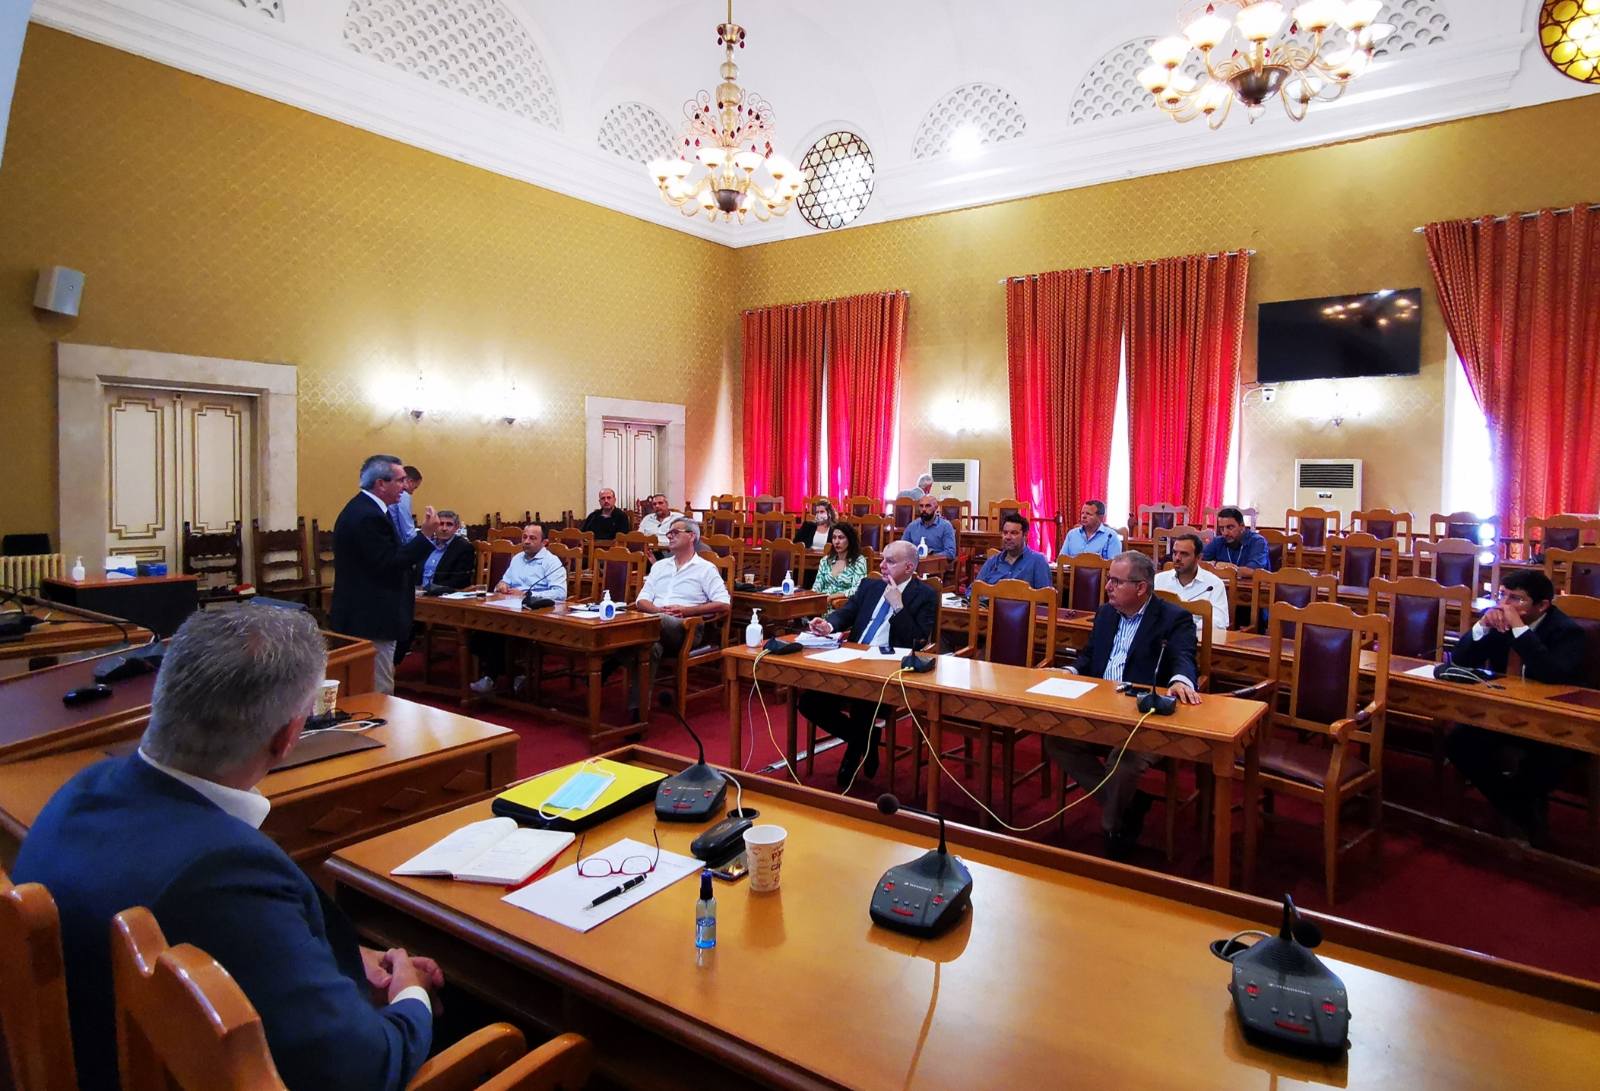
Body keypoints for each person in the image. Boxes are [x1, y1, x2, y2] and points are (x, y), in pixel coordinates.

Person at [13, 608, 443, 1091]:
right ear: (288, 736)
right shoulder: (225, 872)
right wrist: (412, 996)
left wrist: (330, 956)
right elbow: (362, 1070)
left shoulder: (82, 788)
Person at [1043, 551, 1199, 859]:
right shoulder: (1106, 614)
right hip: (1098, 708)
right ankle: (1133, 803)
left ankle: (1113, 827)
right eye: (1108, 580)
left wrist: (1181, 680)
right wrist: (1069, 670)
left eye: (1116, 581)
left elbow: (1184, 657)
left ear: (1141, 588)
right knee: (1056, 739)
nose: (1108, 587)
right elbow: (1090, 657)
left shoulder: (1173, 618)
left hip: (1143, 716)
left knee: (1124, 759)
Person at [1445, 570, 1589, 842]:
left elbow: (1552, 674)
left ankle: (1519, 813)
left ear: (1542, 605)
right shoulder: (1499, 622)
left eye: (1516, 599)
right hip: (1504, 711)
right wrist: (1482, 626)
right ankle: (1519, 810)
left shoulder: (1567, 632)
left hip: (1554, 719)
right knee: (1458, 741)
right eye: (1502, 595)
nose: (1505, 604)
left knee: (1546, 762)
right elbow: (1461, 660)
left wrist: (1520, 630)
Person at [802, 541, 938, 788]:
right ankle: (865, 739)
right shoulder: (870, 585)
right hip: (852, 659)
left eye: (890, 561)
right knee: (809, 701)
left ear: (909, 567)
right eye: (882, 559)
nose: (882, 565)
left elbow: (917, 640)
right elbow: (848, 612)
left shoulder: (924, 595)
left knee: (863, 700)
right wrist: (829, 625)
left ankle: (852, 755)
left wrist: (898, 606)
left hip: (889, 670)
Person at [330, 454, 438, 694]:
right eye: (400, 481)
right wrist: (425, 536)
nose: (405, 487)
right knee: (377, 690)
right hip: (372, 616)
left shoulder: (364, 509)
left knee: (365, 687)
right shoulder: (368, 516)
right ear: (381, 483)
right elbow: (389, 562)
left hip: (365, 613)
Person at [629, 518, 730, 718]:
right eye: (669, 533)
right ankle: (638, 714)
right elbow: (641, 600)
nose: (669, 536)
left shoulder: (705, 568)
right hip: (655, 625)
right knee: (650, 648)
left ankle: (611, 660)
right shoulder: (659, 566)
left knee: (648, 624)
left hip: (686, 629)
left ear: (691, 536)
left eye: (675, 532)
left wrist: (686, 611)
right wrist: (656, 609)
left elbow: (724, 603)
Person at [470, 524, 567, 695]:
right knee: (483, 627)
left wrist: (526, 594)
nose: (527, 541)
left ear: (544, 542)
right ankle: (509, 674)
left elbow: (560, 593)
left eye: (532, 538)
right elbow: (505, 581)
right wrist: (502, 585)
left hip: (537, 612)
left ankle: (497, 676)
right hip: (510, 608)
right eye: (524, 537)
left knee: (498, 630)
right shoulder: (517, 559)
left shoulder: (552, 562)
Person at [1154, 532, 1229, 637]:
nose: (1177, 558)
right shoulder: (1158, 580)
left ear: (1198, 557)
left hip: (1197, 638)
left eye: (1184, 554)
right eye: (1175, 553)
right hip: (1161, 637)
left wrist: (1186, 626)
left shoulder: (1214, 584)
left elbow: (1219, 622)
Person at [975, 511, 1053, 590]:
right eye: (1005, 533)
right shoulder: (993, 561)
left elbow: (1045, 595)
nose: (1008, 537)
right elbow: (973, 590)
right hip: (990, 598)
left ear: (1025, 535)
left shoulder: (1038, 561)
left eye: (1014, 533)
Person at [415, 508, 473, 590]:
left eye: (449, 524)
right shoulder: (426, 544)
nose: (444, 528)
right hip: (416, 592)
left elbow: (460, 580)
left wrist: (429, 589)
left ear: (456, 527)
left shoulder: (463, 547)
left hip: (442, 593)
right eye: (441, 524)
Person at [1202, 506, 1270, 570]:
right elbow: (1198, 561)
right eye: (1222, 528)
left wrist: (1226, 568)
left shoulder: (1258, 542)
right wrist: (1215, 564)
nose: (1225, 533)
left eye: (1230, 527)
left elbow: (1252, 571)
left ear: (1242, 526)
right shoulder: (1218, 541)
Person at [812, 521, 867, 597]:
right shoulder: (825, 560)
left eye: (841, 537)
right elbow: (817, 587)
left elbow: (857, 589)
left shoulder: (859, 561)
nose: (836, 542)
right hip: (823, 601)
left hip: (844, 602)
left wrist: (833, 597)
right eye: (834, 537)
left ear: (850, 539)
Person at [900, 493, 956, 559]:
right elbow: (902, 548)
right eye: (921, 506)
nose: (924, 509)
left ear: (936, 507)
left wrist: (929, 557)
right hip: (915, 562)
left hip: (936, 563)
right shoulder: (912, 526)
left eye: (928, 506)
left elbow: (950, 553)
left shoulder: (945, 526)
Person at [390, 465, 422, 543]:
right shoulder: (403, 495)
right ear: (410, 481)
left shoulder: (390, 494)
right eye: (415, 488)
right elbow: (408, 531)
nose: (412, 492)